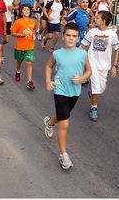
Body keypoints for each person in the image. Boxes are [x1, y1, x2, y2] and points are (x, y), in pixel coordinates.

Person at [43, 22, 92, 170]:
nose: (71, 38)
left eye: (74, 36)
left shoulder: (83, 54)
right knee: (64, 123)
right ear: (63, 36)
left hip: (75, 92)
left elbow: (89, 71)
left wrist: (82, 78)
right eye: (68, 35)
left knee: (61, 115)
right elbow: (48, 66)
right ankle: (63, 155)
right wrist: (48, 81)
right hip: (60, 90)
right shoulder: (57, 54)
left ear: (78, 38)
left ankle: (50, 123)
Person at [80, 11, 119, 121]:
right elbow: (83, 45)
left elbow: (117, 50)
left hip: (104, 65)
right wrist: (74, 57)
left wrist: (114, 66)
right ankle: (94, 108)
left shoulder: (112, 35)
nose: (95, 19)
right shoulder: (92, 32)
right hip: (92, 63)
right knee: (96, 87)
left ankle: (92, 90)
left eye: (97, 18)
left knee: (101, 88)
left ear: (103, 21)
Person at [10, 4, 37, 89]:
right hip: (20, 46)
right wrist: (22, 34)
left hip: (30, 46)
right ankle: (18, 71)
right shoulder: (18, 22)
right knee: (19, 60)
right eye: (24, 10)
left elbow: (33, 30)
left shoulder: (32, 21)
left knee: (29, 63)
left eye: (28, 10)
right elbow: (12, 33)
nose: (26, 11)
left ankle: (29, 81)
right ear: (21, 12)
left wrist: (34, 36)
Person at [0, 0, 18, 64]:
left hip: (8, 20)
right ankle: (1, 56)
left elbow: (17, 6)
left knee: (6, 40)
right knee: (1, 37)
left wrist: (13, 7)